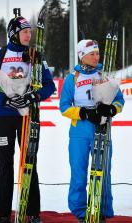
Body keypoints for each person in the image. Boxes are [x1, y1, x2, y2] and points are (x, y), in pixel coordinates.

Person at [0, 14, 55, 223]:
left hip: (28, 116)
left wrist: (35, 95)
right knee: (5, 164)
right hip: (4, 118)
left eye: (30, 31)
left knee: (29, 162)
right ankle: (3, 214)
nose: (28, 35)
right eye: (24, 31)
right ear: (14, 33)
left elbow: (50, 86)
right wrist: (1, 100)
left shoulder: (35, 55)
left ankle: (33, 213)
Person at [59, 39, 125, 223]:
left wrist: (112, 109)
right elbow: (64, 107)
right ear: (82, 55)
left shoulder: (104, 75)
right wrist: (83, 113)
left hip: (102, 128)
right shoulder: (72, 78)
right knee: (78, 172)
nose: (97, 57)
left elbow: (119, 100)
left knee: (103, 171)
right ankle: (81, 212)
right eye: (92, 54)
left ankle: (102, 210)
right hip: (79, 130)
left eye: (97, 53)